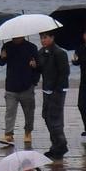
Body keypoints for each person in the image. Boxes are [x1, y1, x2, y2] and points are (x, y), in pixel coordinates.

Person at [0, 35, 39, 148]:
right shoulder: (7, 46)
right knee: (10, 112)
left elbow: (38, 67)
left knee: (29, 112)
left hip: (27, 86)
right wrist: (2, 57)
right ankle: (8, 134)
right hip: (11, 86)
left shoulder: (31, 47)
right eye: (14, 36)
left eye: (18, 35)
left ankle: (28, 132)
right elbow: (1, 62)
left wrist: (34, 80)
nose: (16, 37)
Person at [37, 30, 69, 159]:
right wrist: (34, 65)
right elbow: (40, 69)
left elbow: (64, 73)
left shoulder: (60, 53)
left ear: (52, 37)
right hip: (46, 89)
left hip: (58, 91)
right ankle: (55, 145)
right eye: (41, 38)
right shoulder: (42, 52)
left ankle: (61, 146)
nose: (43, 40)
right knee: (46, 116)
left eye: (45, 38)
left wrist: (57, 90)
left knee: (55, 118)